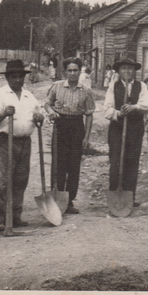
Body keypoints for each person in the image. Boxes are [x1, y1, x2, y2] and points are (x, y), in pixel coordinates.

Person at [0, 60, 45, 233]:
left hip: (25, 142)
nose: (18, 80)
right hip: (5, 141)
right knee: (2, 181)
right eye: (14, 77)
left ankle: (14, 215)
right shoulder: (0, 94)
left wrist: (39, 117)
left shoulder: (29, 95)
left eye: (20, 76)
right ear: (8, 77)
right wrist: (4, 113)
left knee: (20, 180)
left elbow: (38, 113)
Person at [45, 57, 96, 214]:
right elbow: (47, 104)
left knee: (74, 165)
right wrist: (51, 112)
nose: (73, 73)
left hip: (76, 127)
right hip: (60, 125)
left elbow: (89, 114)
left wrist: (86, 137)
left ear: (80, 71)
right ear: (65, 72)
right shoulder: (57, 86)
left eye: (76, 70)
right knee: (59, 164)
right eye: (70, 70)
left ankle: (69, 201)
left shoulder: (86, 91)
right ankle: (58, 197)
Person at [104, 57, 148, 207]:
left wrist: (134, 107)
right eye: (123, 68)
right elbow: (107, 109)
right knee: (116, 161)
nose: (127, 71)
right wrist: (119, 114)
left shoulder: (141, 86)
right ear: (118, 71)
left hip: (135, 129)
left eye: (130, 68)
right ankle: (115, 194)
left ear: (134, 71)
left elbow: (147, 105)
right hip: (117, 129)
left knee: (132, 161)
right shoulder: (113, 86)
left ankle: (129, 196)